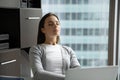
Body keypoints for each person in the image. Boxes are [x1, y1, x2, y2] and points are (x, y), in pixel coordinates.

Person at [29, 12, 80, 80]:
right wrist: (66, 78)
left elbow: (78, 71)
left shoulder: (68, 50)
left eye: (57, 23)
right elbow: (38, 74)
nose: (55, 26)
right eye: (50, 24)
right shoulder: (36, 49)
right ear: (43, 29)